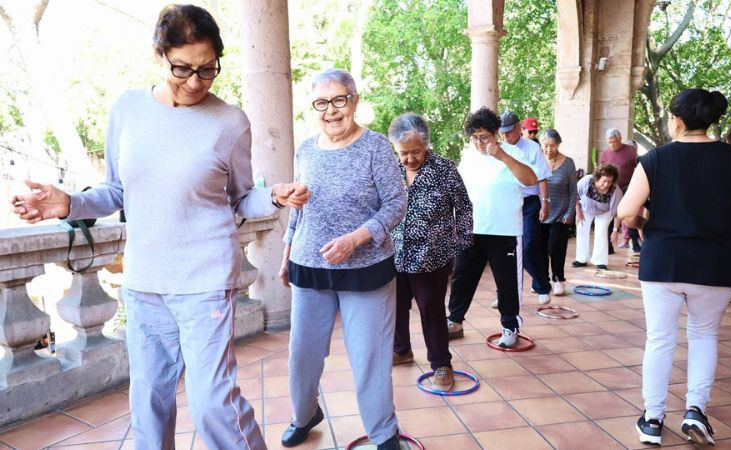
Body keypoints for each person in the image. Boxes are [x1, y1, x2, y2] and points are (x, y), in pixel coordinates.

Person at [10, 5, 310, 449]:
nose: (194, 83)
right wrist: (68, 204)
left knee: (213, 404)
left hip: (205, 283)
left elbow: (243, 197)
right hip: (145, 285)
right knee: (148, 405)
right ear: (158, 55)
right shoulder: (128, 110)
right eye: (182, 69)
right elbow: (115, 191)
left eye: (207, 70)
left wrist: (274, 196)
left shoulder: (229, 122)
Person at [619, 89, 731, 446]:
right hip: (715, 266)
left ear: (678, 120)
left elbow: (626, 211)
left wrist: (646, 224)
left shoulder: (655, 159)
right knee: (703, 337)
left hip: (663, 264)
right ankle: (695, 412)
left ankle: (652, 420)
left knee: (660, 339)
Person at [277, 68, 406, 449]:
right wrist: (287, 251)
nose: (331, 111)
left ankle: (383, 432)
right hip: (308, 265)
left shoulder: (376, 147)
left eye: (339, 100)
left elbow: (397, 203)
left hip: (366, 269)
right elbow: (297, 207)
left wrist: (355, 239)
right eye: (321, 103)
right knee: (303, 354)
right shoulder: (305, 149)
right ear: (313, 107)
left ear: (354, 101)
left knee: (369, 357)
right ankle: (304, 415)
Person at [387, 113, 472, 391]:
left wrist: (462, 243)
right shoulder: (390, 170)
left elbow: (464, 207)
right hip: (395, 253)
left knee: (431, 310)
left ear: (426, 145)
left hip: (432, 256)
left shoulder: (445, 169)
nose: (409, 158)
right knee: (396, 306)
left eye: (415, 151)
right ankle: (401, 350)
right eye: (403, 153)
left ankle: (441, 364)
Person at [447, 107, 538, 348]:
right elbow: (459, 191)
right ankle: (454, 321)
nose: (479, 143)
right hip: (472, 228)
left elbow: (530, 180)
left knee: (506, 282)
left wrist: (502, 156)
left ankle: (510, 326)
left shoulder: (512, 152)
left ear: (495, 133)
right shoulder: (468, 156)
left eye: (484, 137)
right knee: (461, 277)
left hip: (504, 230)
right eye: (474, 138)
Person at [499, 111, 552, 304]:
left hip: (529, 202)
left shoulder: (532, 148)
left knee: (529, 246)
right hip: (507, 202)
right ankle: (505, 293)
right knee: (505, 250)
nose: (506, 136)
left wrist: (545, 203)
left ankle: (542, 286)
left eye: (509, 131)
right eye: (502, 132)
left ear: (519, 127)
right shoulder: (498, 149)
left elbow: (543, 177)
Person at [540, 129, 577, 296]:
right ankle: (542, 281)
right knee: (539, 250)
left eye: (552, 146)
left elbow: (573, 190)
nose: (548, 150)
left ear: (558, 145)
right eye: (545, 146)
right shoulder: (537, 160)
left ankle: (558, 279)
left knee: (557, 249)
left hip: (560, 215)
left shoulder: (568, 163)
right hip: (540, 214)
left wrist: (570, 213)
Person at [572, 165, 622, 270]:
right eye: (604, 181)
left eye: (609, 182)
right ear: (597, 178)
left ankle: (600, 261)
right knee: (581, 228)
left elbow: (617, 212)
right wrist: (578, 212)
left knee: (601, 231)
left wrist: (615, 230)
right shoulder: (586, 181)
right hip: (586, 208)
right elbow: (574, 195)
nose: (606, 184)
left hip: (605, 211)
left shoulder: (615, 190)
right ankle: (581, 259)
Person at [600, 128, 639, 253]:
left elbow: (638, 168)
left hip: (628, 188)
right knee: (610, 216)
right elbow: (602, 171)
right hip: (610, 189)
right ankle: (609, 246)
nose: (612, 145)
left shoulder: (631, 151)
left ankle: (634, 242)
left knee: (629, 215)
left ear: (620, 139)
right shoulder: (605, 153)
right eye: (610, 142)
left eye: (615, 142)